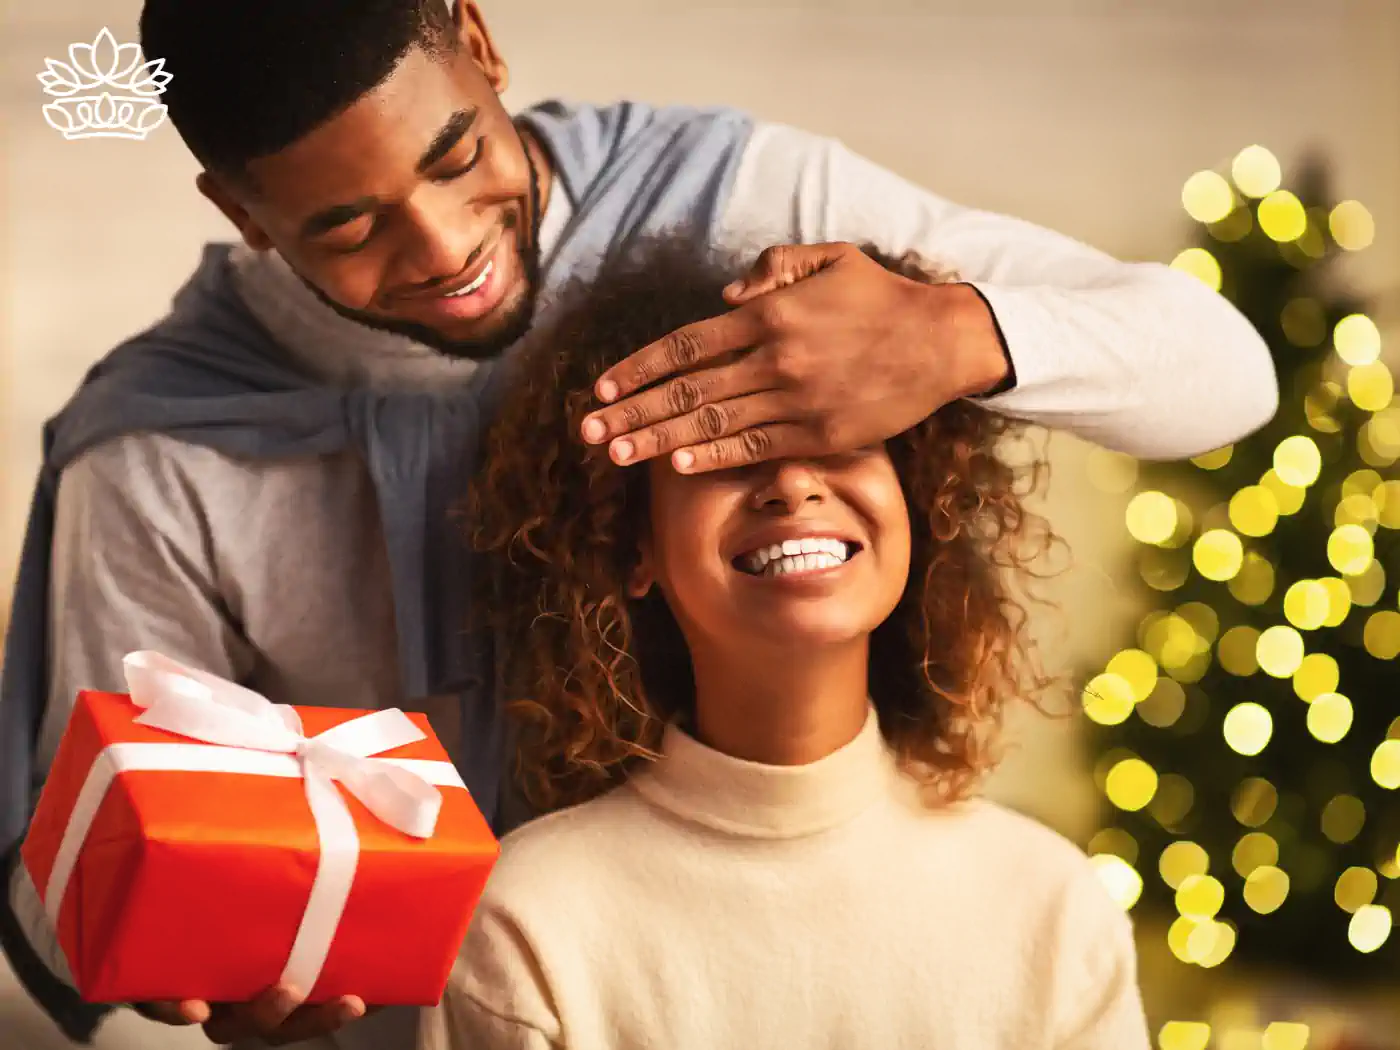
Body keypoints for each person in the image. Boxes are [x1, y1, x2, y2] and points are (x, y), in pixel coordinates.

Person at [0, 0, 1276, 1047]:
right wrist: (187, 974)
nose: (445, 249)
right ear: (238, 209)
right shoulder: (157, 452)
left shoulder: (742, 205)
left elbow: (1224, 374)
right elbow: (69, 893)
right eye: (347, 226)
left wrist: (953, 334)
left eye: (455, 156)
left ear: (479, 41)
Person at [420, 238, 1151, 1050]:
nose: (793, 484)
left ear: (912, 499)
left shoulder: (1052, 909)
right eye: (725, 447)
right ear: (634, 548)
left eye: (834, 436)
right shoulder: (529, 926)